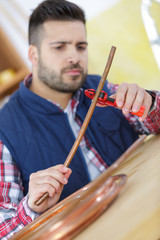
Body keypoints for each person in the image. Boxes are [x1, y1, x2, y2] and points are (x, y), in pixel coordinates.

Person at [0, 0, 160, 239]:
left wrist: (149, 103)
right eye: (60, 47)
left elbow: (153, 123)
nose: (74, 57)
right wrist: (30, 208)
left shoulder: (98, 86)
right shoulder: (5, 129)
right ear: (33, 54)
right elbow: (4, 231)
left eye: (81, 46)